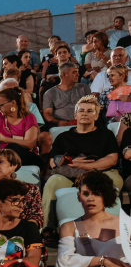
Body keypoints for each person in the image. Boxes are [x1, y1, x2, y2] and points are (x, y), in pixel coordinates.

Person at [56, 170, 131, 267]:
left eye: (97, 193)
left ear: (106, 196)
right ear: (79, 196)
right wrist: (103, 261)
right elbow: (64, 262)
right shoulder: (70, 226)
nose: (90, 198)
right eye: (86, 194)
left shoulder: (126, 223)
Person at [41, 95, 120, 226]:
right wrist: (75, 163)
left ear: (96, 116)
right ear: (75, 115)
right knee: (53, 181)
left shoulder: (106, 135)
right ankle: (47, 228)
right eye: (81, 111)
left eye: (89, 111)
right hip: (70, 175)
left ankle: (110, 226)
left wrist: (84, 165)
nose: (84, 114)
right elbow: (53, 162)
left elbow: (112, 160)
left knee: (114, 181)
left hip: (101, 174)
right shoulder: (63, 137)